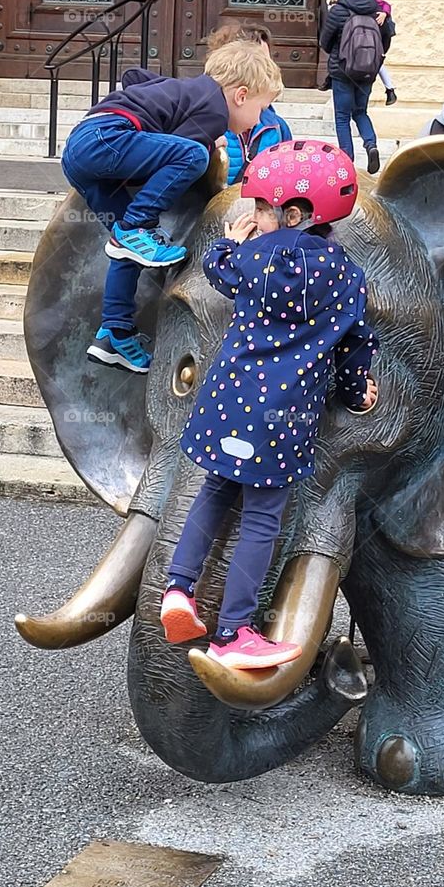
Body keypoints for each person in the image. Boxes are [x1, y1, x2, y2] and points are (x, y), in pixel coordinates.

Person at [159, 140, 378, 670]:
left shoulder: (249, 258)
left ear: (296, 214)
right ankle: (234, 632)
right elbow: (354, 347)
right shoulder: (347, 278)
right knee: (261, 518)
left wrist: (225, 245)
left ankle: (178, 589)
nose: (253, 216)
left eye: (260, 207)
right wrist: (358, 392)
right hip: (283, 414)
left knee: (213, 490)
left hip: (224, 400)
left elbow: (219, 273)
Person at [60, 40, 283, 373]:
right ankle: (134, 228)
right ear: (241, 95)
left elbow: (133, 77)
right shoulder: (214, 108)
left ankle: (115, 332)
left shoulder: (187, 91)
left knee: (131, 249)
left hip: (82, 151)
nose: (258, 119)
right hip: (105, 139)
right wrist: (209, 141)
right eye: (261, 108)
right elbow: (185, 152)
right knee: (193, 156)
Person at [319, 0, 393, 174]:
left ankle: (346, 161)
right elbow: (387, 37)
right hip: (367, 71)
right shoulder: (377, 9)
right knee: (360, 112)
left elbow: (324, 42)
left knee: (342, 117)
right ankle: (371, 144)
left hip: (342, 72)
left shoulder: (338, 10)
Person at [205, 23, 292, 182]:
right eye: (259, 60)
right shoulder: (202, 124)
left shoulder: (277, 127)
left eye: (268, 61)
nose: (269, 68)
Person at [355, 0, 398, 104]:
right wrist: (385, 13)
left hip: (371, 39)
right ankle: (390, 89)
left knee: (373, 62)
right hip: (380, 39)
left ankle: (390, 89)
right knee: (378, 62)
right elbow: (386, 5)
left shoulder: (361, 1)